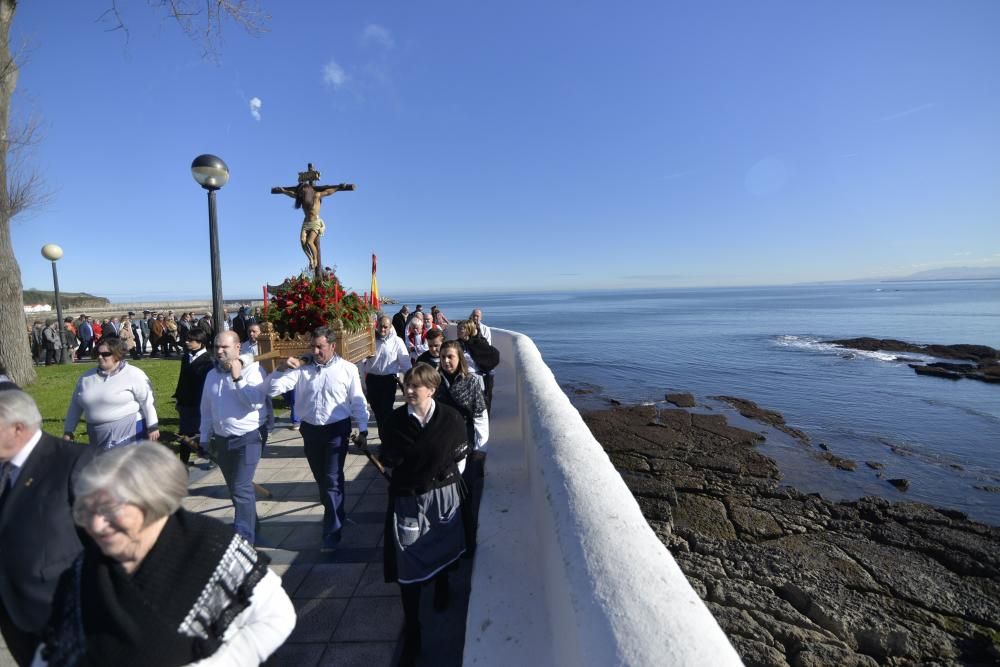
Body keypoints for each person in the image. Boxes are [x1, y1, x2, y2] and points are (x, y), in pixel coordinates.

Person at [36, 443, 295, 665]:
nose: (95, 524)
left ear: (152, 502)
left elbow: (276, 617)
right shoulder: (85, 567)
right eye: (85, 510)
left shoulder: (209, 546)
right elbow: (55, 645)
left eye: (107, 510)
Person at [380, 364, 468, 666]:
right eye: (407, 385)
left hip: (442, 495)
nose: (408, 391)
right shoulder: (394, 422)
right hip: (409, 499)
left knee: (442, 545)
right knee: (408, 563)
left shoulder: (451, 419)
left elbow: (458, 455)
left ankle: (442, 585)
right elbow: (389, 457)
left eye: (416, 386)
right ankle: (413, 633)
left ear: (431, 388)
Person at [0, 390, 92, 666]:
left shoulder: (75, 462)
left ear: (18, 428)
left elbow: (102, 541)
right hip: (12, 612)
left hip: (59, 609)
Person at [268, 326, 369, 550]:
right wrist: (282, 368)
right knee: (322, 480)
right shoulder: (302, 370)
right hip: (311, 430)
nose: (315, 351)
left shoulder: (347, 369)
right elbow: (273, 389)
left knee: (332, 479)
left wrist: (363, 430)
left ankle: (331, 532)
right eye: (312, 346)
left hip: (337, 431)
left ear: (332, 346)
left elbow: (358, 400)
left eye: (320, 347)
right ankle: (337, 511)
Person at [199, 331, 267, 545]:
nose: (219, 351)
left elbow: (255, 403)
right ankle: (251, 524)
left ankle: (244, 538)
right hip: (222, 438)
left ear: (238, 348)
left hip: (248, 437)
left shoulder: (253, 370)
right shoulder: (212, 375)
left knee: (241, 488)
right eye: (216, 346)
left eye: (224, 347)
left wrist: (237, 378)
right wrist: (204, 435)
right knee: (236, 489)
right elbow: (206, 408)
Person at [437, 340, 489, 554]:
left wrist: (480, 449)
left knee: (465, 494)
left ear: (459, 359)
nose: (447, 361)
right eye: (443, 357)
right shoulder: (434, 381)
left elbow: (480, 415)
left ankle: (468, 542)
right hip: (440, 443)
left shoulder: (471, 382)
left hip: (465, 442)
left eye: (451, 356)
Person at [62, 337, 160, 450]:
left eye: (105, 354)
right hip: (96, 434)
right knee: (102, 465)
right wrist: (68, 430)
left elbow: (148, 402)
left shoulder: (134, 374)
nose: (100, 357)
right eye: (98, 353)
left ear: (117, 354)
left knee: (125, 466)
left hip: (129, 430)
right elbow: (75, 405)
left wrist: (152, 426)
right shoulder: (86, 378)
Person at [271, 166, 356, 273]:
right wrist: (283, 191)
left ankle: (315, 260)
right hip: (306, 223)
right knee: (303, 241)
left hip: (315, 222)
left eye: (302, 192)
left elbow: (328, 192)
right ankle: (310, 258)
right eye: (300, 192)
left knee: (310, 242)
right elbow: (291, 194)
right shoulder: (301, 198)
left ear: (308, 191)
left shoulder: (316, 195)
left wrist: (338, 187)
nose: (301, 194)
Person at [361, 315, 411, 436]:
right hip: (372, 380)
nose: (382, 330)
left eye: (385, 327)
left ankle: (387, 439)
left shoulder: (397, 342)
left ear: (390, 327)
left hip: (389, 380)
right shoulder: (370, 340)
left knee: (386, 411)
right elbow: (360, 362)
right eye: (380, 326)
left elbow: (405, 363)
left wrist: (410, 381)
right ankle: (384, 436)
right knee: (377, 411)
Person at [172, 327, 214, 466]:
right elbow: (182, 378)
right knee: (184, 433)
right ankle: (183, 462)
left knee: (201, 433)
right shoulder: (186, 357)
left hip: (200, 403)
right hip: (185, 402)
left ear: (200, 342)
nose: (187, 342)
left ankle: (212, 457)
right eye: (187, 339)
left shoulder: (209, 360)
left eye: (191, 340)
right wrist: (178, 397)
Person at [459, 319, 500, 412]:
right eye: (458, 328)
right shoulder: (457, 344)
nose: (458, 331)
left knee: (481, 403)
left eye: (461, 329)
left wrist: (485, 367)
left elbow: (494, 355)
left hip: (479, 376)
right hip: (464, 377)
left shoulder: (479, 342)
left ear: (468, 330)